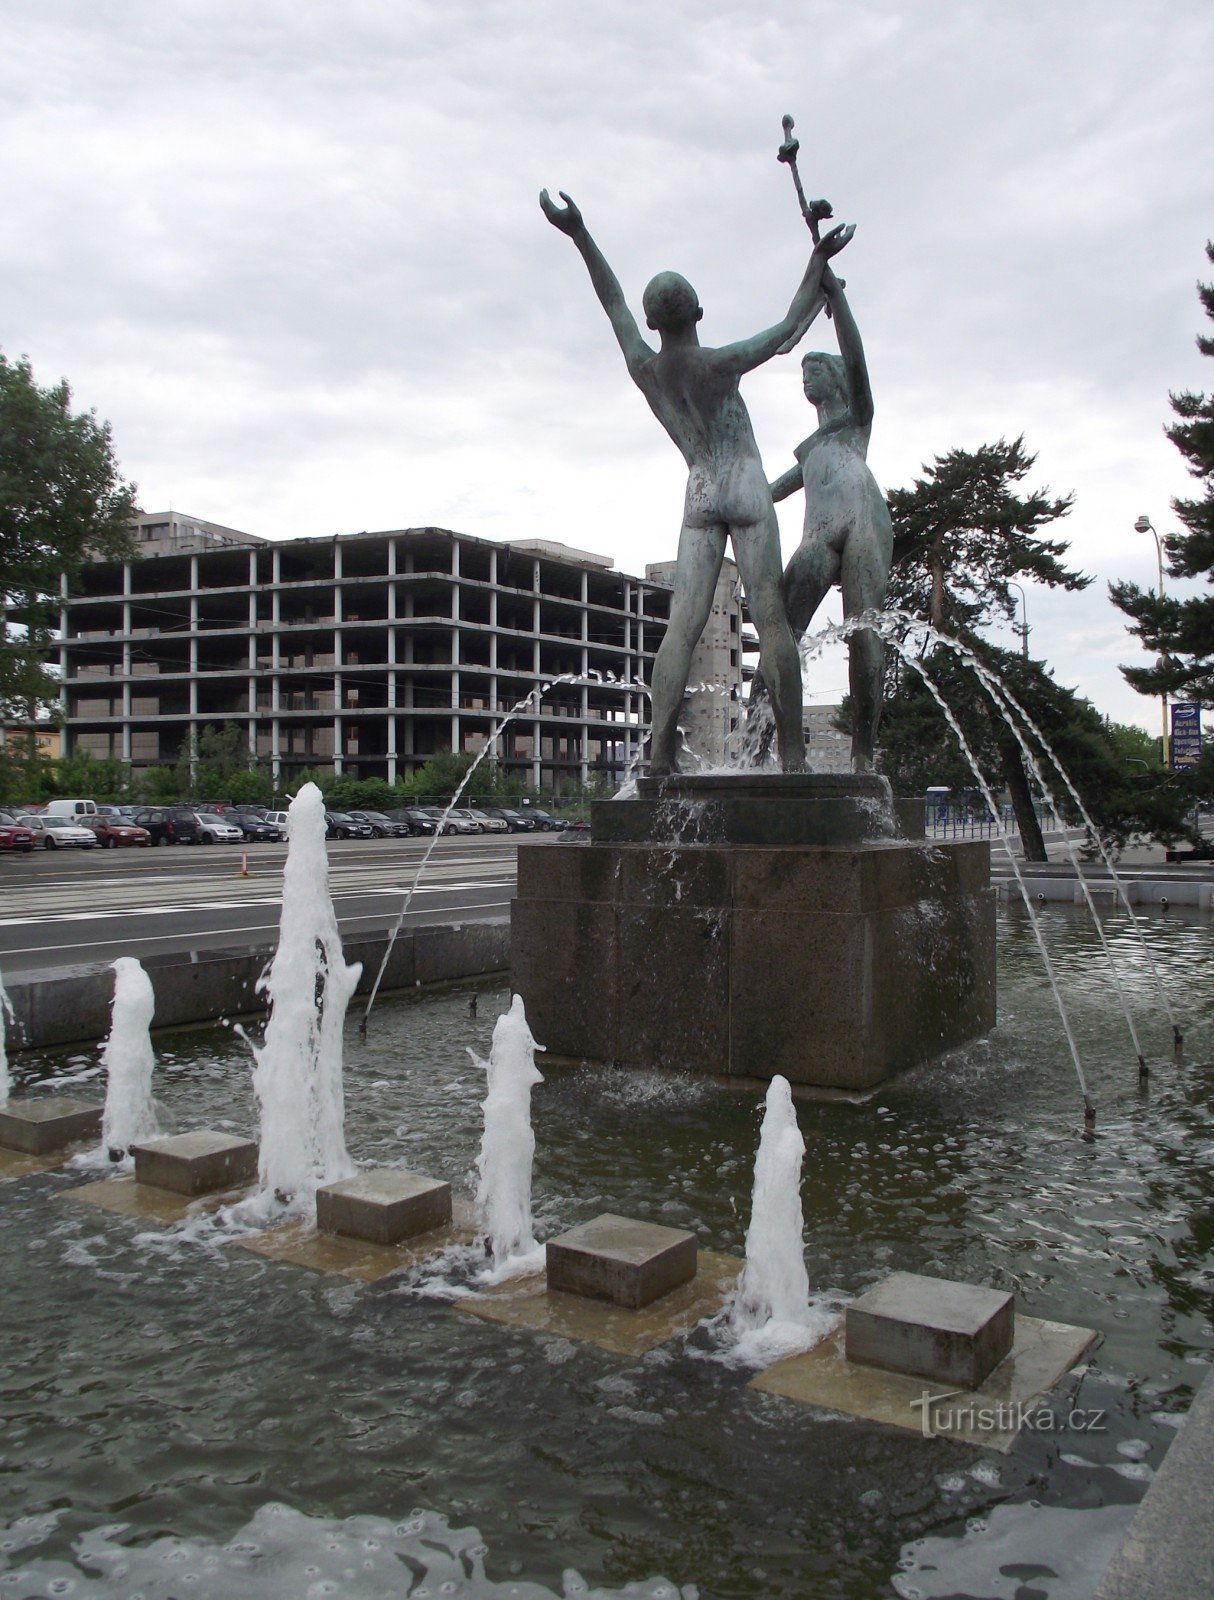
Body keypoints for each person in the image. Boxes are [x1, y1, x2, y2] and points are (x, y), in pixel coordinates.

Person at [540, 187, 853, 775]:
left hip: (700, 489)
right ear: (699, 313)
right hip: (744, 482)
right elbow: (787, 331)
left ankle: (658, 756)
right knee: (771, 614)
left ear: (656, 321)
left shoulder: (647, 369)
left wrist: (581, 235)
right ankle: (790, 758)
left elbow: (614, 308)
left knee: (683, 620)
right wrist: (818, 267)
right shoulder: (719, 362)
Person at [760, 266, 893, 771]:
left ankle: (862, 753)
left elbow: (857, 359)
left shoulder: (856, 419)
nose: (805, 378)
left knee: (866, 638)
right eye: (802, 372)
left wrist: (836, 297)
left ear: (833, 377)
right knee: (781, 630)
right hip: (818, 533)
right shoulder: (811, 448)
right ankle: (766, 744)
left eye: (812, 371)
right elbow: (772, 490)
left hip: (863, 520)